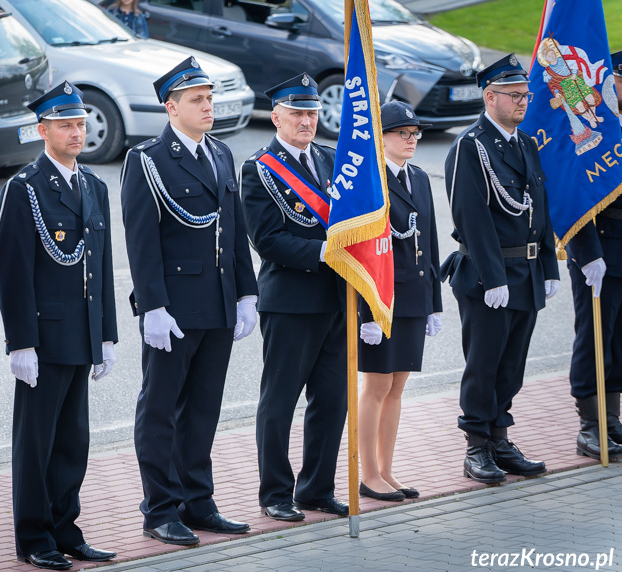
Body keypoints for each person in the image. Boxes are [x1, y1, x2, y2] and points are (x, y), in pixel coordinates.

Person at [121, 56, 258, 545]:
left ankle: (197, 501)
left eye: (210, 98)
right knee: (160, 410)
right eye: (197, 100)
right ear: (170, 106)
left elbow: (235, 230)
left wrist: (246, 292)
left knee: (202, 410)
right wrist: (152, 307)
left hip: (218, 305)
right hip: (174, 310)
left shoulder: (219, 153)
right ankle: (159, 508)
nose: (208, 106)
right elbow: (141, 240)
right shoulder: (148, 159)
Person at [0, 81, 118, 571]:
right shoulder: (24, 188)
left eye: (81, 124)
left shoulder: (93, 186)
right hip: (44, 338)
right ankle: (34, 536)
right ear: (41, 130)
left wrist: (106, 333)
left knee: (73, 443)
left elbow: (102, 266)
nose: (76, 132)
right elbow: (12, 268)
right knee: (36, 444)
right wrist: (21, 341)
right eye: (65, 124)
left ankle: (66, 528)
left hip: (82, 334)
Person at [441, 54, 560, 485]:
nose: (523, 102)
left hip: (524, 272)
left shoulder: (524, 144)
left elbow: (539, 209)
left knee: (512, 366)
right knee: (484, 364)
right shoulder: (470, 147)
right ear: (490, 97)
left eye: (525, 95)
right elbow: (470, 217)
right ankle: (476, 446)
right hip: (489, 276)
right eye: (514, 96)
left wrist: (548, 266)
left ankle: (499, 436)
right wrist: (493, 277)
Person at [239, 73, 348, 522]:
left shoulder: (329, 158)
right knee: (280, 400)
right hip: (291, 299)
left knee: (332, 400)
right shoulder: (259, 167)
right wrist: (325, 251)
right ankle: (276, 492)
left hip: (337, 298)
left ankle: (317, 488)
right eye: (297, 113)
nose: (306, 121)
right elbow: (267, 239)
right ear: (277, 116)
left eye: (312, 112)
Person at [357, 101, 443, 501]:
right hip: (381, 299)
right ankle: (368, 473)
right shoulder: (370, 182)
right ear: (381, 137)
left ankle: (387, 471)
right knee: (375, 387)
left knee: (397, 389)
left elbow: (430, 241)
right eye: (401, 134)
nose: (411, 140)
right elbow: (359, 251)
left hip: (413, 296)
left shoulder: (419, 178)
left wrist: (434, 302)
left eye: (415, 134)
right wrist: (365, 313)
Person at [563, 50, 622, 460]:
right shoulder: (589, 113)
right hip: (599, 247)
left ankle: (613, 420)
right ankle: (591, 425)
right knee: (595, 339)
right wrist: (586, 252)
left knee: (619, 340)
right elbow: (572, 190)